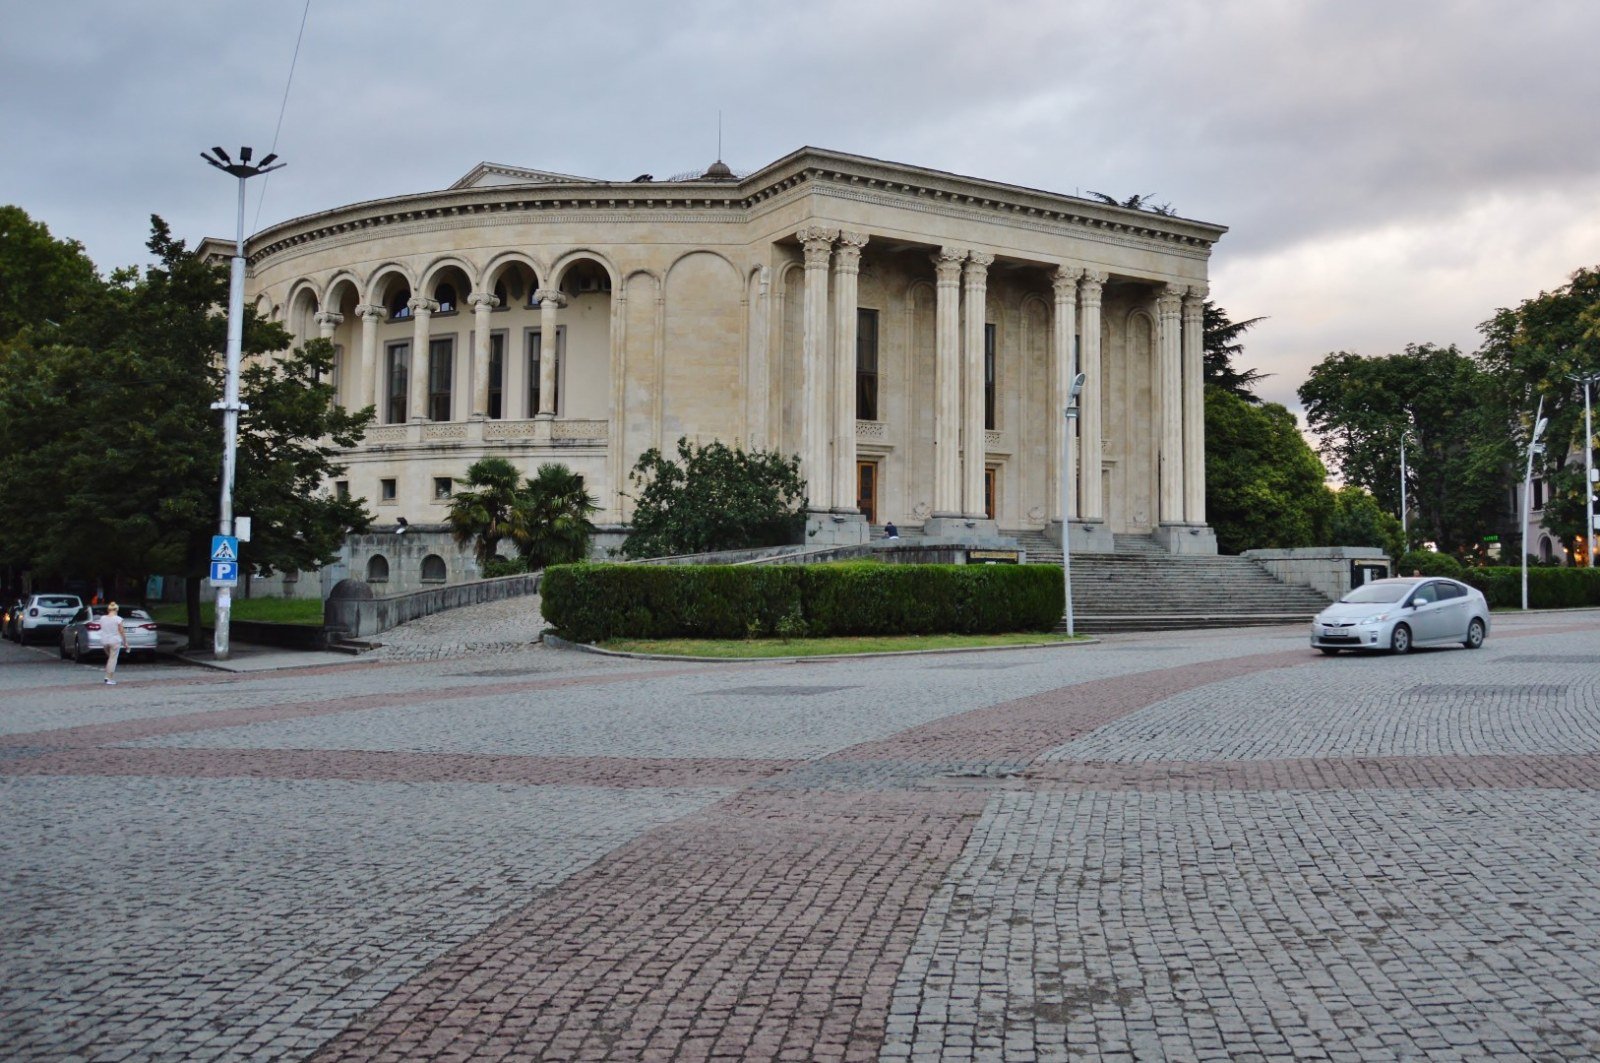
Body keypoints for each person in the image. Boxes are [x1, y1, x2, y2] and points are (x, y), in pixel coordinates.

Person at [99, 602, 129, 685]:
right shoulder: (118, 619)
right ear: (116, 610)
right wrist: (125, 642)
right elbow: (121, 631)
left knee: (110, 658)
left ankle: (107, 676)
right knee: (113, 659)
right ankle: (109, 678)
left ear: (108, 610)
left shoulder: (102, 618)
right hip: (114, 640)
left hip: (104, 641)